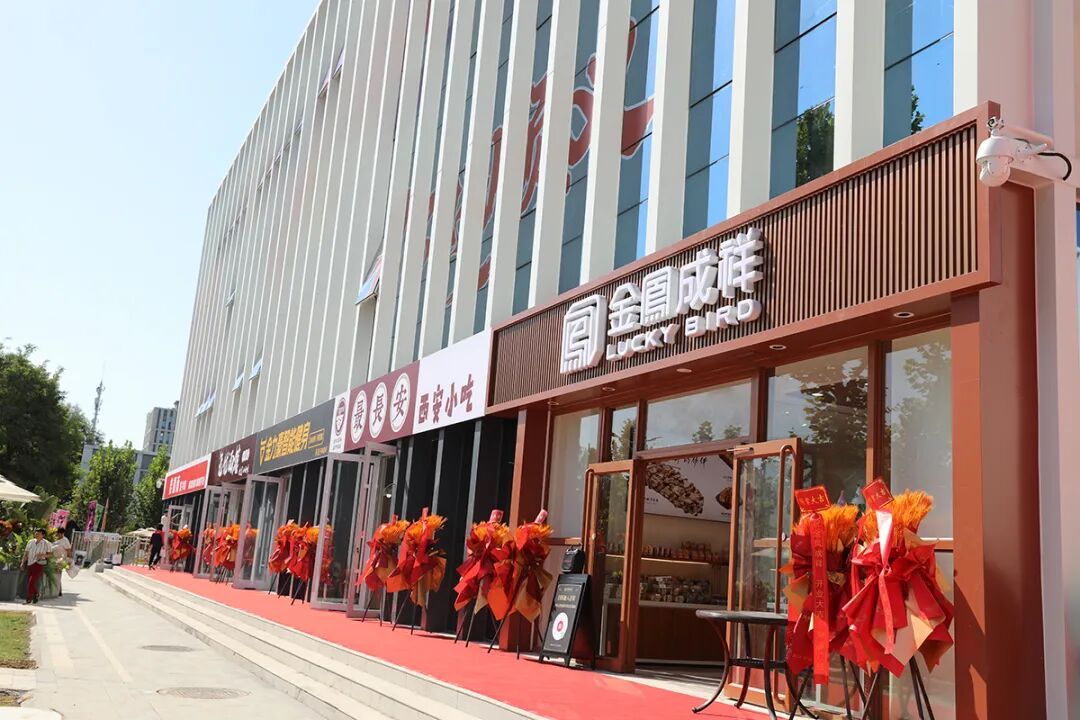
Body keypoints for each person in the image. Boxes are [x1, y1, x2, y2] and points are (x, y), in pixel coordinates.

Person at [22, 528, 52, 604]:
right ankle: (36, 594)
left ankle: (29, 599)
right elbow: (26, 553)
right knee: (30, 582)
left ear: (43, 535)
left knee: (31, 581)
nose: (36, 534)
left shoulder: (47, 543)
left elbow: (50, 554)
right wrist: (22, 562)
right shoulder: (30, 542)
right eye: (36, 533)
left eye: (38, 533)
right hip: (30, 563)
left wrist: (43, 555)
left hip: (39, 564)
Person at [53, 529, 72, 597]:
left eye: (59, 533)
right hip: (53, 559)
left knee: (58, 574)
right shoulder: (55, 539)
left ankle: (58, 591)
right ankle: (59, 590)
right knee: (56, 575)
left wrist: (69, 561)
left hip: (61, 560)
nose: (57, 535)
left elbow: (69, 550)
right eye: (57, 533)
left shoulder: (65, 540)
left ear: (62, 534)